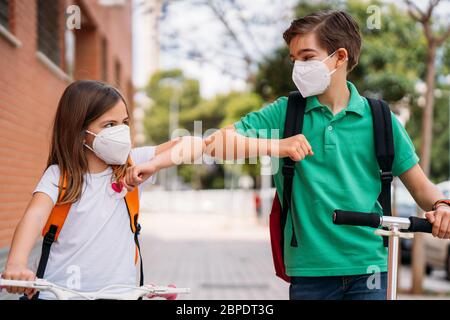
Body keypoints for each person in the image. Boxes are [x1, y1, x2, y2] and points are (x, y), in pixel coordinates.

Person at [199, 10, 450, 300]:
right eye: (294, 60)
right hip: (310, 273)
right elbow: (215, 143)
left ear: (340, 57)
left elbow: (421, 188)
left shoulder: (381, 119)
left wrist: (442, 205)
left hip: (370, 268)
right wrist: (277, 146)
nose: (298, 68)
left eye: (307, 57)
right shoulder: (285, 113)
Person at [1, 80, 204, 299]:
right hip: (59, 294)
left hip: (118, 295)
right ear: (80, 131)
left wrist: (153, 164)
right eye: (109, 125)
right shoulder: (58, 175)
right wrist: (17, 263)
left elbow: (195, 144)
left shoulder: (133, 163)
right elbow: (35, 215)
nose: (121, 132)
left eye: (124, 122)